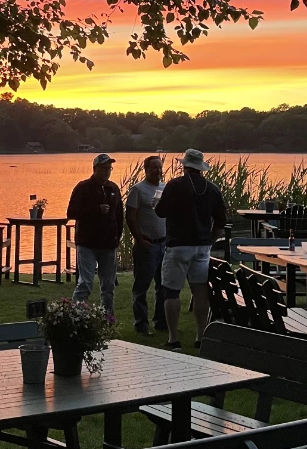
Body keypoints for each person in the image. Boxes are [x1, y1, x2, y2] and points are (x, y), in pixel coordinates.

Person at [155, 149, 227, 350]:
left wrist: (158, 203)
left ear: (184, 166)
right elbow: (221, 220)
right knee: (200, 291)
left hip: (178, 245)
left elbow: (160, 212)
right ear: (201, 168)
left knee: (171, 291)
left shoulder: (175, 185)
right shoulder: (212, 189)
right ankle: (201, 336)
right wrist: (210, 240)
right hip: (202, 248)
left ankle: (173, 338)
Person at [66, 153, 123, 317]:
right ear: (95, 169)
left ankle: (108, 320)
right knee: (86, 282)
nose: (106, 172)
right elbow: (71, 212)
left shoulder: (113, 188)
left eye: (109, 169)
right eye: (103, 168)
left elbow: (119, 215)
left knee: (108, 286)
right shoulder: (83, 187)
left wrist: (117, 237)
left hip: (109, 245)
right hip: (87, 243)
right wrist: (96, 210)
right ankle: (75, 317)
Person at [126, 155, 167, 336]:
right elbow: (130, 217)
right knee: (142, 285)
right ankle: (141, 323)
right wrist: (140, 239)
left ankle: (160, 321)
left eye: (159, 167)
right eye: (153, 168)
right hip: (147, 245)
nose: (157, 171)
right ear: (146, 170)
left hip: (164, 244)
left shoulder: (165, 188)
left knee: (163, 285)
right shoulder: (138, 190)